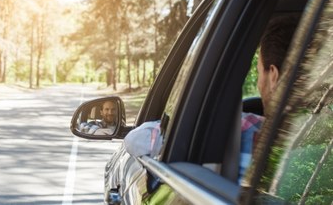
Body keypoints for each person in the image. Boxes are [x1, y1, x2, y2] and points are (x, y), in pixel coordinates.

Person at [124, 15, 299, 183]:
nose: (260, 83)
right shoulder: (323, 144)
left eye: (260, 71)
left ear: (273, 76)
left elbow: (135, 139)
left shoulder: (244, 131)